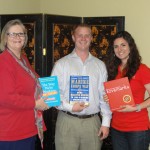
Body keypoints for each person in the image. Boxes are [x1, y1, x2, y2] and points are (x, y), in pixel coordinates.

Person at [51, 23, 112, 150]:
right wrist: (70, 107)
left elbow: (104, 96)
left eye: (87, 35)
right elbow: (52, 95)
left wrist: (106, 123)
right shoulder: (61, 65)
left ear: (91, 38)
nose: (83, 38)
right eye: (80, 35)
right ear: (73, 37)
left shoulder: (100, 65)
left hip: (92, 123)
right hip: (67, 121)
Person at [0, 19, 49, 150]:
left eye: (21, 34)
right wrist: (35, 104)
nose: (17, 37)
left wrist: (50, 92)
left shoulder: (23, 59)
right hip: (12, 131)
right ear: (5, 37)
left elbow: (34, 84)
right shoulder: (3, 62)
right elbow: (6, 97)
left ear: (25, 38)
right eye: (12, 34)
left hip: (26, 126)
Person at [104, 31, 150, 150]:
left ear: (130, 47)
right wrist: (108, 97)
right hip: (117, 127)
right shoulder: (112, 70)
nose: (120, 49)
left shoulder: (142, 69)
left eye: (123, 45)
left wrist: (136, 107)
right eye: (116, 46)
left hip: (137, 128)